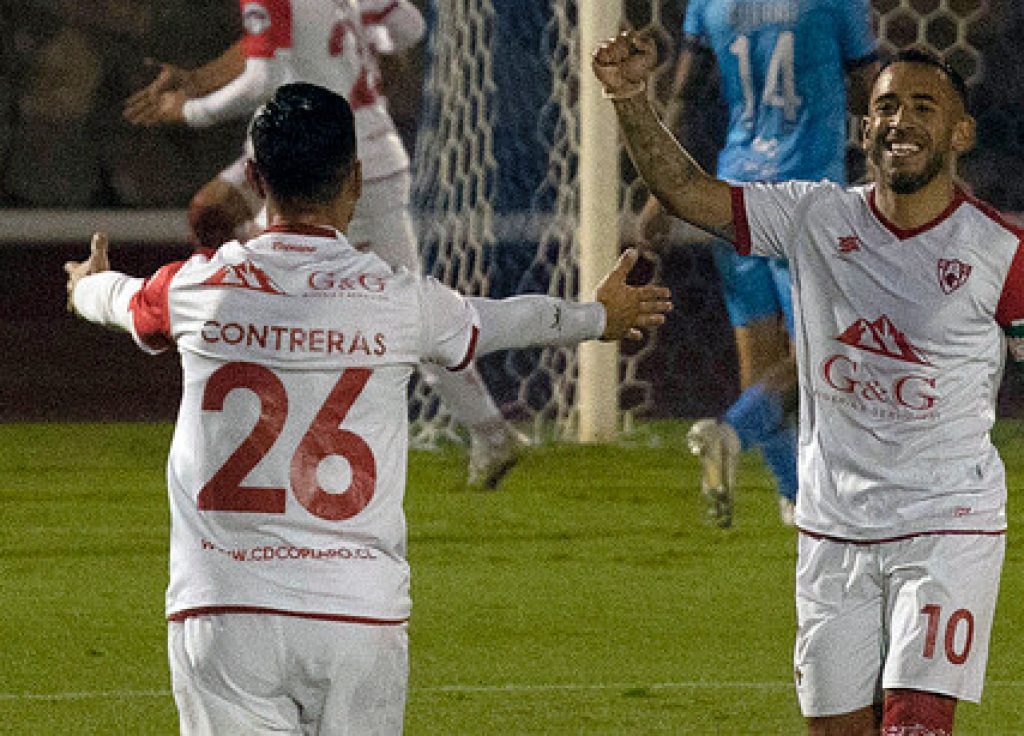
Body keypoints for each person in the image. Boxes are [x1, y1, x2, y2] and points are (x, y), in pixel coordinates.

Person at [66, 82, 672, 735]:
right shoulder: (399, 299)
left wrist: (85, 284)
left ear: (256, 179)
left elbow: (117, 298)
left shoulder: (194, 286)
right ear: (355, 179)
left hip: (222, 610)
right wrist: (596, 317)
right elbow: (502, 321)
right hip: (356, 615)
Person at [594, 32, 1020, 735]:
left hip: (947, 526)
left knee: (915, 723)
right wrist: (628, 96)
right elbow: (685, 192)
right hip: (832, 529)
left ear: (960, 132)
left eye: (923, 107)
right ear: (866, 128)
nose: (901, 121)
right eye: (887, 108)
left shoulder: (998, 253)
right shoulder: (816, 217)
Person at [124, 0, 524, 489]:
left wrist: (189, 111)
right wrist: (354, 58)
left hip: (335, 154)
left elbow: (266, 75)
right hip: (338, 142)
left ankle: (274, 416)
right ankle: (481, 429)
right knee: (216, 217)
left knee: (312, 289)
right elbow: (407, 25)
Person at [641, 0, 879, 527]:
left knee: (761, 357)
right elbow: (872, 91)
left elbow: (681, 101)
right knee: (820, 362)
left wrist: (660, 198)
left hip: (732, 194)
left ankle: (794, 499)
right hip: (805, 198)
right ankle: (732, 435)